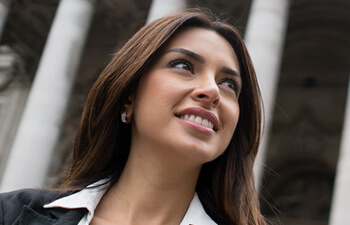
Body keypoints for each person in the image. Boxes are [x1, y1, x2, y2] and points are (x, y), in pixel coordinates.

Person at [0, 8, 266, 225]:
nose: (211, 90)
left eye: (229, 84)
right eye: (183, 66)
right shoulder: (11, 215)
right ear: (129, 97)